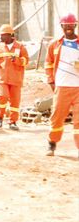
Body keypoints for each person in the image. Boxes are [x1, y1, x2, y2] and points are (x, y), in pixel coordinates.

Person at [44, 13, 79, 157]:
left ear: (75, 25)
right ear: (62, 26)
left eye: (71, 24)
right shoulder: (55, 44)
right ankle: (52, 144)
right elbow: (48, 63)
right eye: (66, 25)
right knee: (57, 117)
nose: (69, 27)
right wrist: (51, 81)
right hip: (62, 86)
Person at [0, 24, 28, 131]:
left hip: (16, 79)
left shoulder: (20, 47)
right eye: (1, 35)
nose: (1, 37)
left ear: (10, 35)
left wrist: (16, 60)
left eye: (3, 35)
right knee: (3, 97)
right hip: (3, 78)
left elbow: (26, 61)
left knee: (15, 101)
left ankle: (13, 122)